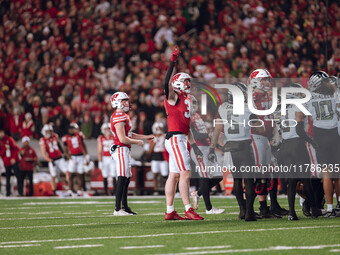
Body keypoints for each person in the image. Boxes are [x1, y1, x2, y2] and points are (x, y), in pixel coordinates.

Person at [210, 82, 263, 221]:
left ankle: (242, 210)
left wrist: (212, 147)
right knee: (249, 180)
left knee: (237, 180)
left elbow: (217, 130)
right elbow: (260, 128)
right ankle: (250, 212)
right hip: (244, 147)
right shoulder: (248, 108)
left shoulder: (222, 108)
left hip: (230, 149)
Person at [163, 46, 204, 220]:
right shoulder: (174, 96)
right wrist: (173, 61)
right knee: (185, 173)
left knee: (174, 175)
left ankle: (170, 211)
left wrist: (195, 146)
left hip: (180, 137)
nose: (188, 84)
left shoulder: (187, 99)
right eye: (186, 82)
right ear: (178, 83)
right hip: (175, 138)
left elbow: (187, 127)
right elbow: (166, 83)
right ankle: (188, 208)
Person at [247, 69, 288, 218]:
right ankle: (262, 208)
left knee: (273, 169)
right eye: (263, 79)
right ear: (256, 80)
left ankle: (274, 205)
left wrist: (275, 130)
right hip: (255, 136)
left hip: (267, 137)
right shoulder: (251, 96)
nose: (267, 82)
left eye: (268, 79)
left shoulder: (269, 95)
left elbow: (271, 114)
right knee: (260, 172)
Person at [278, 83, 322, 220]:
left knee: (291, 181)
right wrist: (313, 142)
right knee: (305, 179)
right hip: (297, 145)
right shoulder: (297, 107)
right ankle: (314, 209)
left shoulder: (281, 110)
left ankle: (291, 212)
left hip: (285, 145)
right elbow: (298, 130)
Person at [110, 91, 154, 216]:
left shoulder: (123, 115)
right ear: (117, 102)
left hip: (124, 149)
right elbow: (123, 138)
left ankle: (124, 206)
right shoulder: (119, 116)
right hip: (121, 148)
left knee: (127, 178)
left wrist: (145, 137)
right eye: (124, 100)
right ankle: (118, 209)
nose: (127, 103)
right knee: (122, 177)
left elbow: (129, 134)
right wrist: (137, 142)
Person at [307, 71, 340, 217]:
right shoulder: (334, 95)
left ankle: (330, 207)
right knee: (338, 174)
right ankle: (339, 205)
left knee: (326, 174)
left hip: (320, 136)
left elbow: (307, 122)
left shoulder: (308, 99)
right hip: (334, 135)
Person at [190, 95, 224, 214]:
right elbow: (194, 135)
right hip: (198, 148)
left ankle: (198, 193)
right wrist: (209, 135)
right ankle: (209, 208)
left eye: (194, 103)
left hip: (207, 148)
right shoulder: (187, 117)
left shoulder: (197, 115)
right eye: (191, 103)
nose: (193, 106)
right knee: (205, 178)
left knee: (219, 176)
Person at [39, 124, 69, 196]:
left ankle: (69, 188)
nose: (49, 133)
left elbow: (59, 145)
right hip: (52, 159)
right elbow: (43, 154)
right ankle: (54, 191)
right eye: (47, 131)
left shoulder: (55, 136)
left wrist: (63, 154)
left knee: (67, 172)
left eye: (50, 131)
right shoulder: (42, 140)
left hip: (59, 158)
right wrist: (50, 160)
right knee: (53, 176)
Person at [62, 123, 89, 196]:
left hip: (80, 157)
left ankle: (79, 190)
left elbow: (84, 145)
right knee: (70, 175)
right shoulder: (66, 137)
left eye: (72, 128)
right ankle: (70, 190)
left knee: (80, 174)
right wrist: (70, 158)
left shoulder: (79, 135)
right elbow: (65, 151)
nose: (71, 130)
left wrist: (86, 155)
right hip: (72, 157)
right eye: (70, 129)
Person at [147, 121, 168, 195]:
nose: (159, 129)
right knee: (155, 174)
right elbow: (149, 151)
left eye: (160, 128)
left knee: (165, 175)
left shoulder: (165, 136)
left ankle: (167, 190)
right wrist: (154, 142)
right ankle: (155, 190)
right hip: (155, 156)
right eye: (157, 128)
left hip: (163, 156)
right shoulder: (152, 137)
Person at [0, 128, 22, 196]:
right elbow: (1, 153)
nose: (1, 134)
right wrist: (5, 148)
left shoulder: (9, 139)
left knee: (18, 176)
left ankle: (20, 192)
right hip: (6, 162)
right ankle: (8, 193)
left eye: (1, 132)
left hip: (13, 161)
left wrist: (14, 158)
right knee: (8, 178)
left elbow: (17, 148)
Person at [97, 122, 116, 196]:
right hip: (105, 158)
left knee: (114, 174)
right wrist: (100, 161)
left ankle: (115, 192)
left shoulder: (113, 137)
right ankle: (106, 192)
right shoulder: (101, 138)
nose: (107, 130)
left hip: (112, 157)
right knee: (105, 175)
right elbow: (99, 150)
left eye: (108, 129)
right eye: (106, 129)